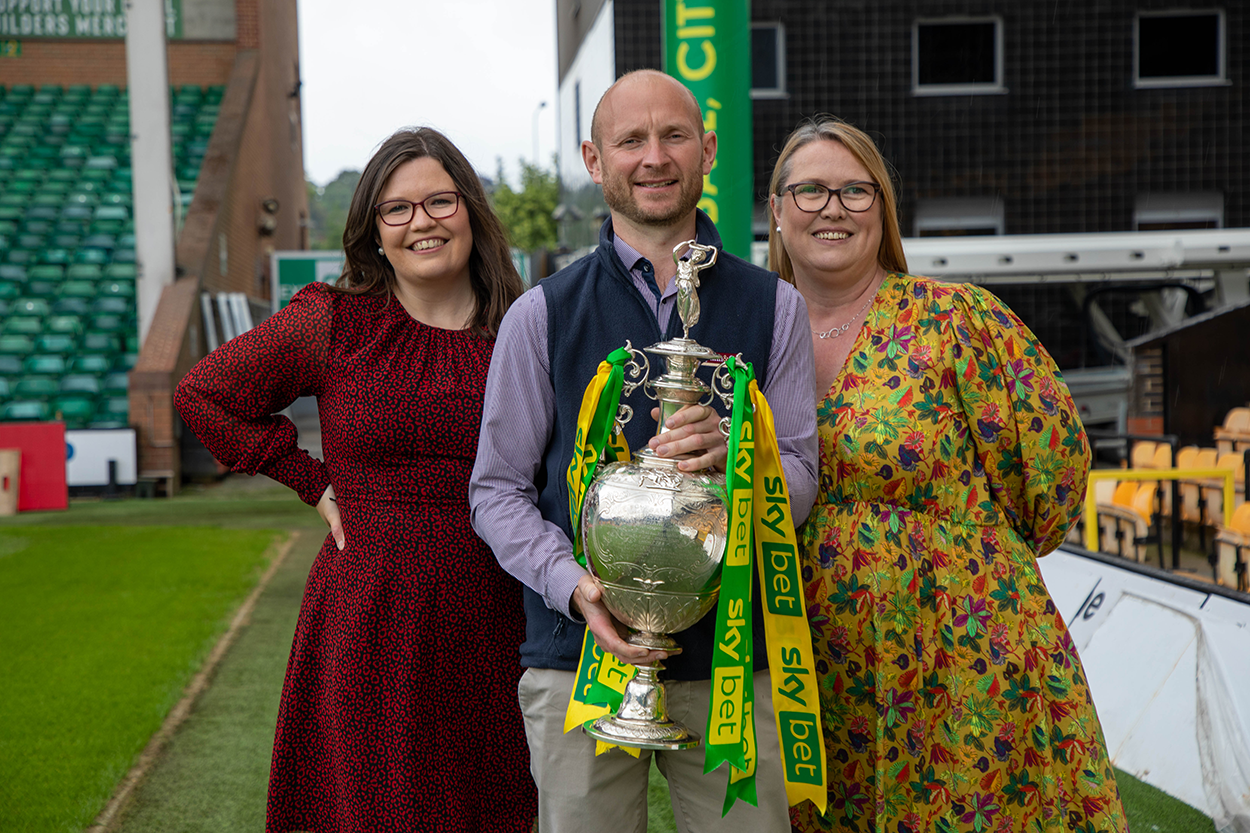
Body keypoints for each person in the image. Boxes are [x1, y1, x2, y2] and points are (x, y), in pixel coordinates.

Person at [469, 70, 818, 833]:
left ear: (708, 150)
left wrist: (740, 463)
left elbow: (799, 469)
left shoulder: (774, 305)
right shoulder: (541, 313)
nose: (653, 157)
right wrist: (575, 587)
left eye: (673, 135)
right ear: (596, 161)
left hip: (733, 661)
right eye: (631, 140)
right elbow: (496, 489)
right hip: (579, 659)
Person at [767, 116, 1128, 833]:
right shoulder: (748, 332)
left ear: (884, 209)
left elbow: (1052, 463)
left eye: (855, 191)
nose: (832, 207)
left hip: (965, 648)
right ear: (776, 211)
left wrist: (971, 564)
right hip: (811, 661)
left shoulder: (954, 319)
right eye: (808, 190)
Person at [174, 127, 536, 833]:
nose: (421, 221)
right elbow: (202, 393)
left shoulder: (525, 329)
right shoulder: (335, 323)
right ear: (373, 230)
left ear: (470, 209)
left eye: (439, 200)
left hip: (497, 623)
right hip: (367, 622)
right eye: (396, 209)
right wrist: (307, 479)